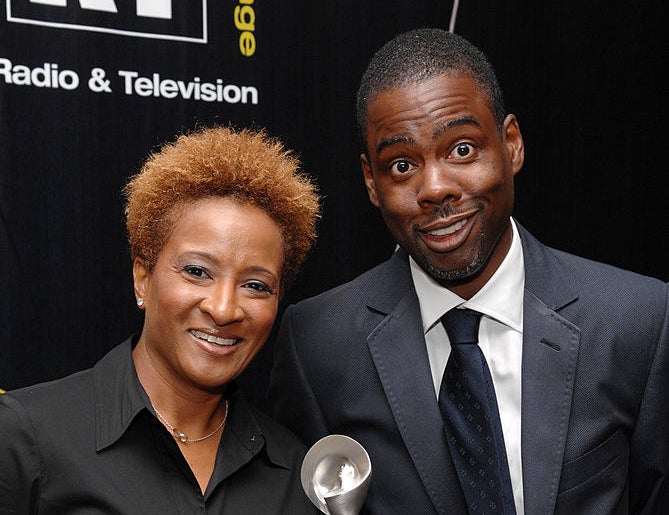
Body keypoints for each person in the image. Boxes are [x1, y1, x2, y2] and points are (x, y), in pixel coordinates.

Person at [268, 28, 668, 514]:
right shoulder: (318, 343)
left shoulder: (639, 321)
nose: (435, 188)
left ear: (511, 144)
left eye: (461, 149)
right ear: (371, 182)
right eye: (400, 166)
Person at [0, 125, 321, 514]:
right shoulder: (26, 437)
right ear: (142, 278)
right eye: (197, 272)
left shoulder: (294, 473)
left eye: (255, 285)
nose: (223, 309)